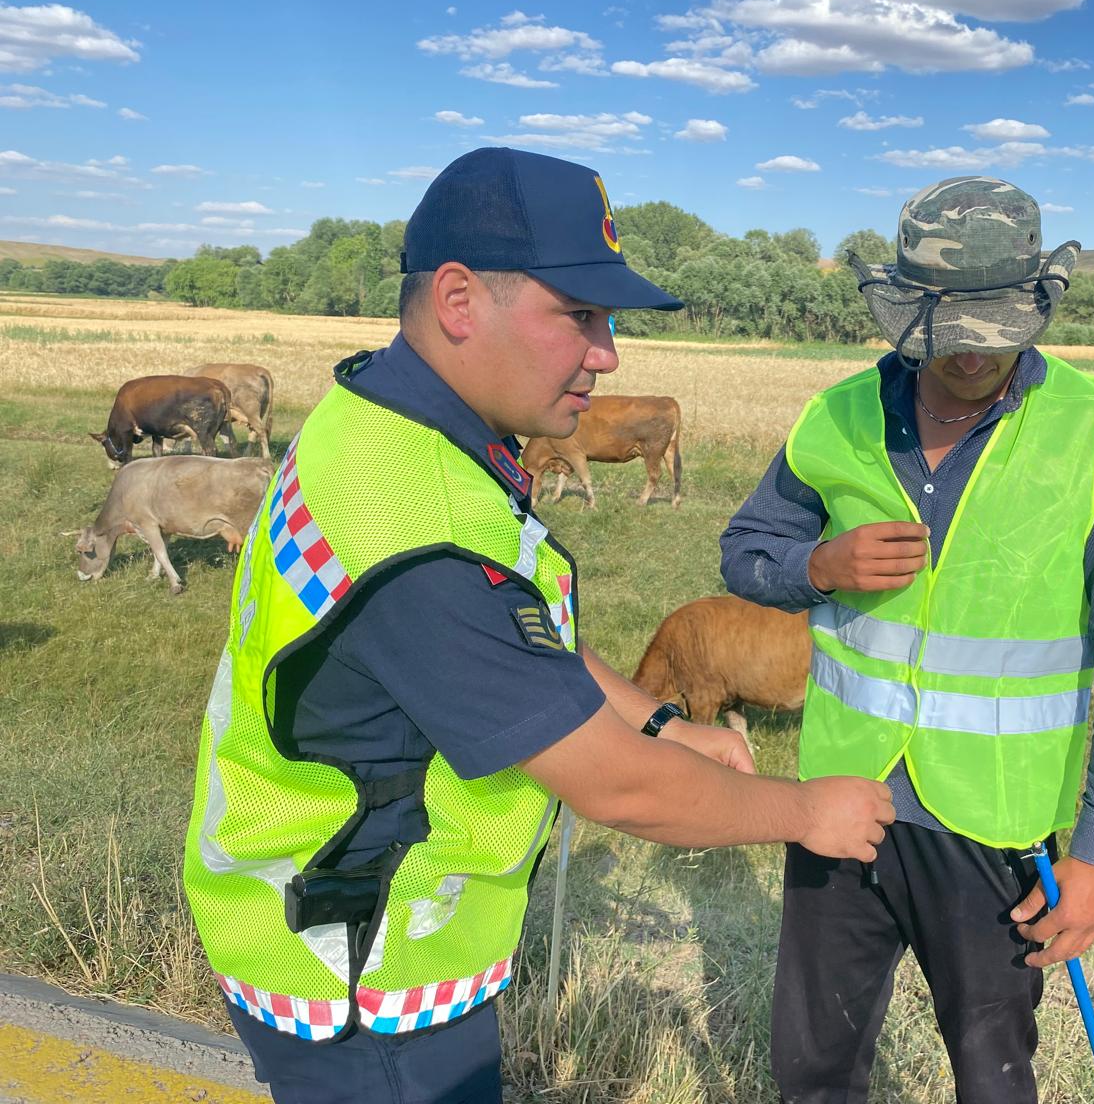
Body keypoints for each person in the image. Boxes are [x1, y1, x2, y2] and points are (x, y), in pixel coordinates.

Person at [181, 147, 894, 1104]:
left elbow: (517, 620)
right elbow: (623, 793)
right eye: (580, 317)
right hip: (361, 980)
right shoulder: (416, 528)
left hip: (341, 929)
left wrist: (660, 719)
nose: (608, 355)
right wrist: (810, 813)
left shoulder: (385, 420)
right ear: (461, 300)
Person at [720, 176, 1094, 1103]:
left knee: (993, 1071)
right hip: (838, 805)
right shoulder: (836, 415)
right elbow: (746, 552)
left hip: (994, 829)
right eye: (946, 334)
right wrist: (818, 567)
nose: (970, 359)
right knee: (812, 1066)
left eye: (995, 330)